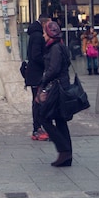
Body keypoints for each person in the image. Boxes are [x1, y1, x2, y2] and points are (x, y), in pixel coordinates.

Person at [37, 20, 73, 167]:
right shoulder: (61, 46)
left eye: (45, 33)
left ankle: (63, 149)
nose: (44, 36)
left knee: (44, 116)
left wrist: (42, 82)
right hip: (62, 86)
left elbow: (54, 69)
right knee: (60, 120)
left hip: (57, 88)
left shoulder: (55, 48)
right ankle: (66, 154)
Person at [23, 18, 49, 142]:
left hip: (33, 74)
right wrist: (46, 63)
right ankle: (37, 129)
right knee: (38, 102)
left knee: (37, 101)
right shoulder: (38, 36)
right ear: (44, 23)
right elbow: (36, 55)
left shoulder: (34, 34)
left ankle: (38, 128)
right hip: (37, 75)